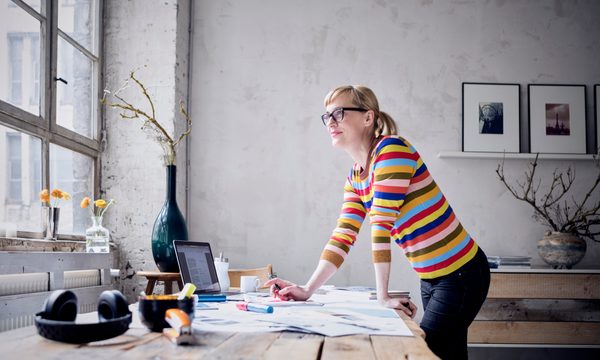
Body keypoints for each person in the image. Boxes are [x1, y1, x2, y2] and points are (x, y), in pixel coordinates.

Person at [265, 85, 490, 360]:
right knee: (448, 355)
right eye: (327, 117)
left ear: (368, 117)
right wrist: (307, 289)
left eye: (338, 113)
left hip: (462, 274)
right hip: (431, 278)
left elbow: (381, 225)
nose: (330, 122)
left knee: (424, 352)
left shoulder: (391, 151)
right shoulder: (356, 177)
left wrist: (382, 296)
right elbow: (343, 236)